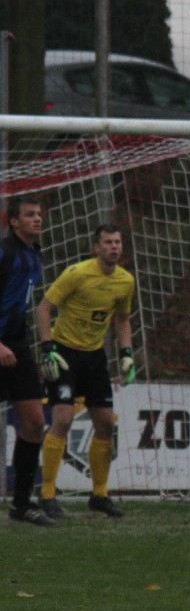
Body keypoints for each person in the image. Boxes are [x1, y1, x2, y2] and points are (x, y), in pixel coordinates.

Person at [33, 224, 136, 520]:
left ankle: (99, 495)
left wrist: (126, 354)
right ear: (96, 247)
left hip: (94, 357)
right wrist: (47, 349)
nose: (114, 247)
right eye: (108, 242)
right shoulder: (76, 273)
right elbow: (43, 309)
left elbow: (122, 319)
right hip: (64, 353)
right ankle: (47, 494)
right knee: (63, 419)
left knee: (105, 424)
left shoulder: (125, 281)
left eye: (117, 242)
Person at [2, 197, 57, 527]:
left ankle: (21, 504)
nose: (37, 219)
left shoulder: (36, 253)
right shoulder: (4, 251)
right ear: (13, 221)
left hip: (17, 345)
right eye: (29, 215)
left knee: (35, 422)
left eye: (39, 214)